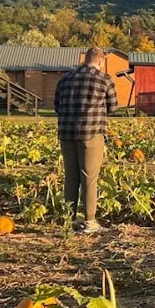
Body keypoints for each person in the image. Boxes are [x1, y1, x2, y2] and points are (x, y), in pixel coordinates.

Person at [55, 47, 119, 233]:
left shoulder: (65, 78)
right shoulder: (104, 79)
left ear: (85, 59)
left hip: (66, 133)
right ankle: (90, 221)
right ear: (101, 61)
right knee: (89, 178)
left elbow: (57, 106)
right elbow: (113, 107)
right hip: (91, 133)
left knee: (71, 177)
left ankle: (69, 220)